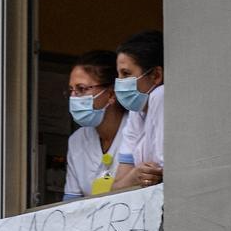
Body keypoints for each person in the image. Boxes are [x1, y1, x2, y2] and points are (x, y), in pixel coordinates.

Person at [63, 50, 129, 201]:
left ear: (111, 94)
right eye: (71, 90)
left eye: (81, 89)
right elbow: (70, 205)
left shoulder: (137, 130)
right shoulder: (77, 140)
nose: (73, 98)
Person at [111, 30, 164, 189]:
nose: (119, 83)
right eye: (118, 75)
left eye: (126, 74)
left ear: (155, 75)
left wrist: (135, 177)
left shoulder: (160, 96)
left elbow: (163, 173)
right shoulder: (137, 111)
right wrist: (135, 176)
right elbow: (116, 188)